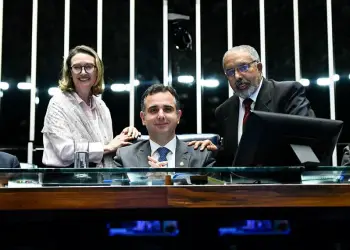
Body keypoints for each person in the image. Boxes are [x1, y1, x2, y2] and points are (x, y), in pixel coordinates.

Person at [189, 45, 315, 166]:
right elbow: (234, 157)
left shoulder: (287, 93)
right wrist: (214, 151)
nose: (237, 76)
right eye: (230, 72)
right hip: (242, 186)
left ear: (259, 68)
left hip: (282, 184)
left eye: (243, 68)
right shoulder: (224, 111)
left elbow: (307, 141)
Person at [42, 45, 139, 168]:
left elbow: (110, 147)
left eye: (88, 67)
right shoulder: (58, 103)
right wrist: (108, 147)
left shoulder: (101, 105)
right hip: (63, 180)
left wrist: (126, 136)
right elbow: (65, 150)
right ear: (70, 73)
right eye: (77, 67)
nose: (83, 72)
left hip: (97, 179)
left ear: (97, 71)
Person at [114, 84, 215, 170]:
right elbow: (117, 193)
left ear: (178, 116)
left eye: (167, 109)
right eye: (153, 110)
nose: (161, 116)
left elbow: (211, 193)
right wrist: (149, 183)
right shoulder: (125, 156)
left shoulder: (201, 156)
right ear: (143, 118)